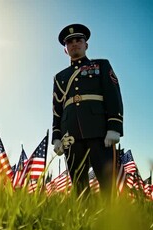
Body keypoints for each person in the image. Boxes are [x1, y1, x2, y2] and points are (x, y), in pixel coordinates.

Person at [51, 23, 123, 197]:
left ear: (86, 45)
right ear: (65, 50)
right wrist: (56, 137)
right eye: (70, 42)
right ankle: (83, 220)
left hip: (99, 131)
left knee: (107, 182)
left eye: (78, 40)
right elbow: (57, 109)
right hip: (71, 135)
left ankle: (110, 220)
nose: (74, 43)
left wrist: (114, 126)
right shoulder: (59, 77)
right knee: (79, 185)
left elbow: (113, 96)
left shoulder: (102, 65)